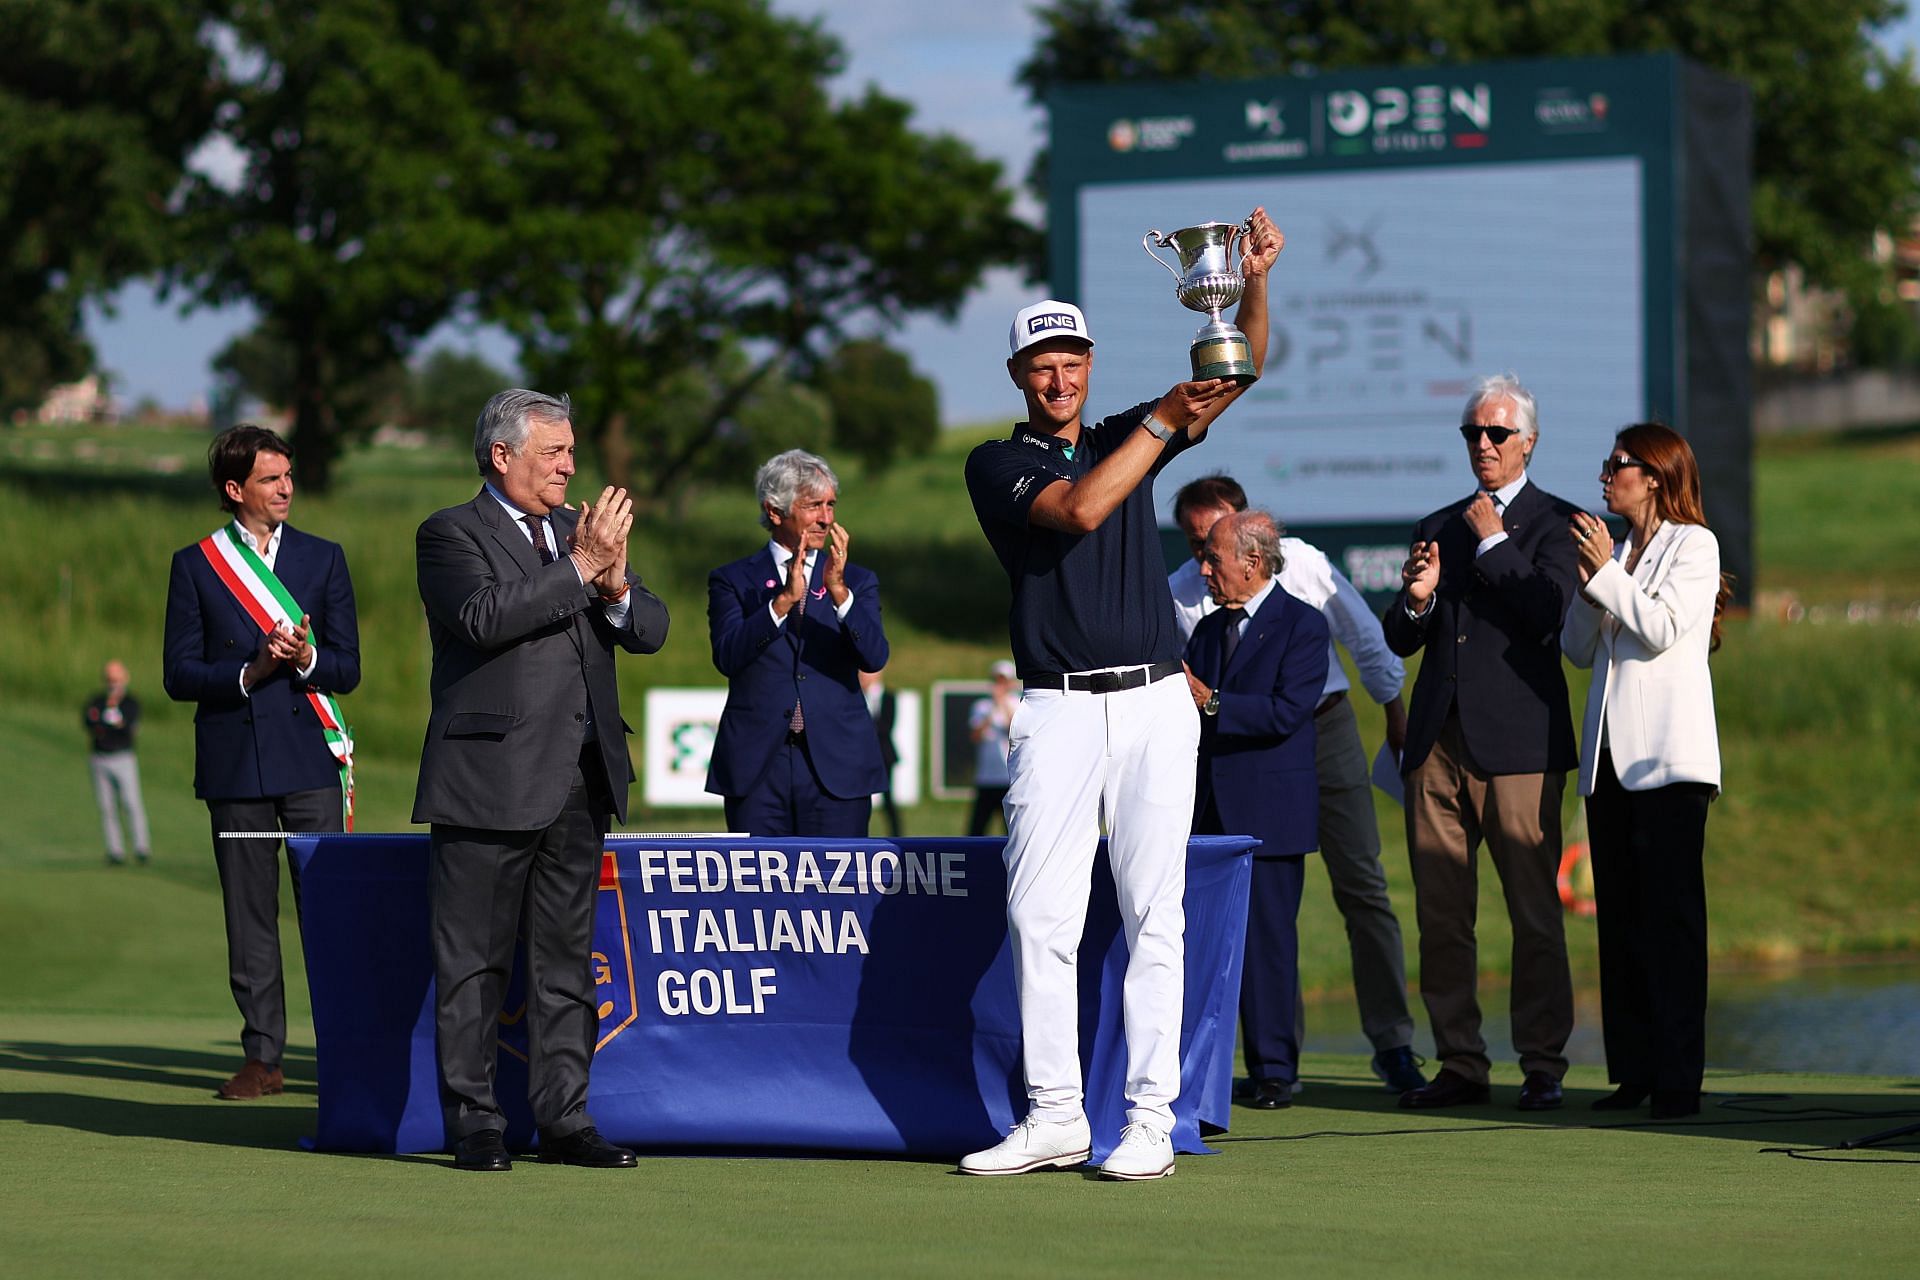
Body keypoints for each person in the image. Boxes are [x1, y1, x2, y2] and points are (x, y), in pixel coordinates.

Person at [959, 206, 1281, 1182]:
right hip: (1055, 705)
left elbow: (1238, 369)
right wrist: (1162, 419)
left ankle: (1149, 1118)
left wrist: (1252, 283)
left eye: (1073, 360)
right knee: (1040, 917)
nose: (1059, 377)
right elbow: (1083, 505)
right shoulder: (998, 462)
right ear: (1020, 377)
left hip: (1150, 702)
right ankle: (1055, 1113)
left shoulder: (1120, 432)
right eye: (1041, 364)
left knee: (1154, 912)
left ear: (1090, 366)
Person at [414, 389, 669, 1172]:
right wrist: (582, 568)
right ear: (502, 455)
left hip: (580, 780)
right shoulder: (451, 533)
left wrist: (617, 585)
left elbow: (652, 631)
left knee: (565, 963)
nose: (568, 464)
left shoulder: (576, 531)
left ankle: (565, 1120)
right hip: (490, 778)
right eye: (552, 451)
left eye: (569, 451)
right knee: (475, 965)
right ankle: (476, 1125)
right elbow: (487, 617)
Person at [1168, 474, 1426, 1094]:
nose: (1203, 557)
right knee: (1256, 919)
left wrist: (1394, 713)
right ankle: (1275, 1065)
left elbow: (1364, 639)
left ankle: (1392, 1043)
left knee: (1360, 883)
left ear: (1247, 529)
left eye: (1214, 540)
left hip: (1324, 726)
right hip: (1232, 752)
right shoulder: (1184, 593)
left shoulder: (1304, 564)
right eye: (1195, 541)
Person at [1384, 373, 1581, 1112]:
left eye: (1497, 434)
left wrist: (1494, 539)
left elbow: (1543, 614)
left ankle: (1542, 1063)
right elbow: (1402, 639)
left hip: (1522, 746)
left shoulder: (1558, 522)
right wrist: (1417, 598)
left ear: (1529, 441)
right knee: (1442, 914)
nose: (1484, 445)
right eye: (1473, 433)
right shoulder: (1438, 523)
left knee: (1533, 912)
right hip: (1439, 743)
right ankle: (1462, 1062)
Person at [163, 424, 359, 1101]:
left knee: (329, 911)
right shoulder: (196, 565)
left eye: (288, 476)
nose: (287, 489)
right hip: (236, 766)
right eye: (272, 479)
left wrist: (304, 660)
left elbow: (348, 668)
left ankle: (345, 1051)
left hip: (309, 762)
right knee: (249, 916)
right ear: (234, 488)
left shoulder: (324, 558)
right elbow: (178, 673)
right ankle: (263, 1058)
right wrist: (251, 670)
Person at [1562, 424, 1726, 1120]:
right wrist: (1590, 583)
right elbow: (1575, 648)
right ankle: (1633, 1072)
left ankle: (1678, 1082)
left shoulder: (1694, 544)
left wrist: (1606, 574)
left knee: (1672, 923)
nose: (1606, 476)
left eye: (1618, 465)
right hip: (1608, 759)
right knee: (1622, 922)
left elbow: (1659, 630)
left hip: (1668, 761)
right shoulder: (1619, 549)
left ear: (1654, 476)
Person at [1183, 511, 1329, 1110]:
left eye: (1214, 558)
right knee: (1202, 945)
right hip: (1208, 812)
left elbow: (1286, 712)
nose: (1204, 567)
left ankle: (1274, 1069)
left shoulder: (1303, 626)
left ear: (1252, 561)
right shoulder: (1209, 630)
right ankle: (1205, 1071)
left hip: (1269, 814)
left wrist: (1212, 701)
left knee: (1268, 945)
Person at [705, 450, 891, 837]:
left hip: (838, 767)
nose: (826, 518)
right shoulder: (732, 579)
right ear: (775, 511)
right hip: (758, 767)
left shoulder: (856, 579)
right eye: (813, 506)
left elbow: (874, 656)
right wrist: (782, 603)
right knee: (757, 891)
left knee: (839, 891)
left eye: (830, 505)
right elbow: (727, 656)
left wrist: (839, 592)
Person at [83, 659, 153, 867]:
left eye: (116, 680)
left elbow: (127, 728)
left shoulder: (131, 703)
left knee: (131, 803)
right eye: (109, 680)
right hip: (99, 758)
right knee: (107, 806)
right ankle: (115, 851)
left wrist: (107, 725)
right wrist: (108, 724)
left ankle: (142, 848)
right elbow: (89, 722)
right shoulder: (97, 700)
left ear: (124, 680)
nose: (113, 684)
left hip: (123, 757)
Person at [966, 660, 1017, 837]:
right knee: (976, 831)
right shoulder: (982, 707)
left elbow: (1015, 732)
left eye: (1004, 680)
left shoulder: (1018, 703)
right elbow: (975, 736)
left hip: (1009, 778)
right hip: (986, 778)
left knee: (1011, 831)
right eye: (997, 680)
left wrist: (1003, 704)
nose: (1000, 685)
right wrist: (993, 709)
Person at [861, 667, 903, 839]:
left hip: (883, 754)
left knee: (888, 798)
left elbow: (887, 726)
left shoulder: (888, 697)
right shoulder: (855, 696)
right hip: (861, 755)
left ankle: (896, 834)